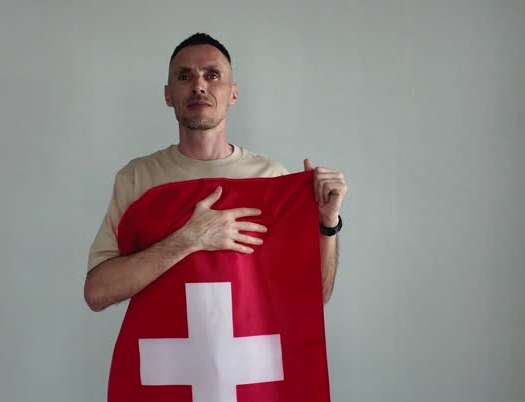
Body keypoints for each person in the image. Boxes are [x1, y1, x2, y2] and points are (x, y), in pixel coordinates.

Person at [84, 33, 347, 312]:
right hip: (165, 354)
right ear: (168, 95)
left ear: (233, 92)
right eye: (185, 77)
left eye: (212, 75)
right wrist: (189, 239)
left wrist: (327, 223)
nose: (198, 86)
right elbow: (97, 292)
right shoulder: (137, 177)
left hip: (248, 351)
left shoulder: (271, 177)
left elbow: (316, 294)